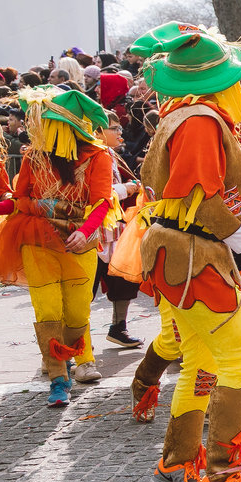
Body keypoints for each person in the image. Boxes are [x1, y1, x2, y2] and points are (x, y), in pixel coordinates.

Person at [132, 26, 241, 482]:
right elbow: (202, 199)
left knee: (202, 362)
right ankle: (222, 477)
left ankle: (177, 465)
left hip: (180, 253)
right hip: (193, 258)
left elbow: (193, 196)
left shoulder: (183, 116)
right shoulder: (200, 120)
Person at [0, 87, 114, 405]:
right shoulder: (34, 156)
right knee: (47, 311)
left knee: (76, 314)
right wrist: (45, 208)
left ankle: (77, 357)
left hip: (79, 244)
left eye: (45, 122)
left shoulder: (98, 156)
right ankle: (58, 378)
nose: (39, 128)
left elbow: (103, 200)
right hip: (35, 240)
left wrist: (87, 230)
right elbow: (20, 197)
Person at [96, 111, 144, 349]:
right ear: (97, 131)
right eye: (113, 128)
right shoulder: (88, 156)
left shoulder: (113, 155)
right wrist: (127, 188)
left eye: (119, 128)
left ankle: (118, 327)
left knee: (123, 279)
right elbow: (99, 192)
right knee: (85, 288)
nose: (119, 132)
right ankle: (77, 342)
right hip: (91, 231)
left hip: (116, 229)